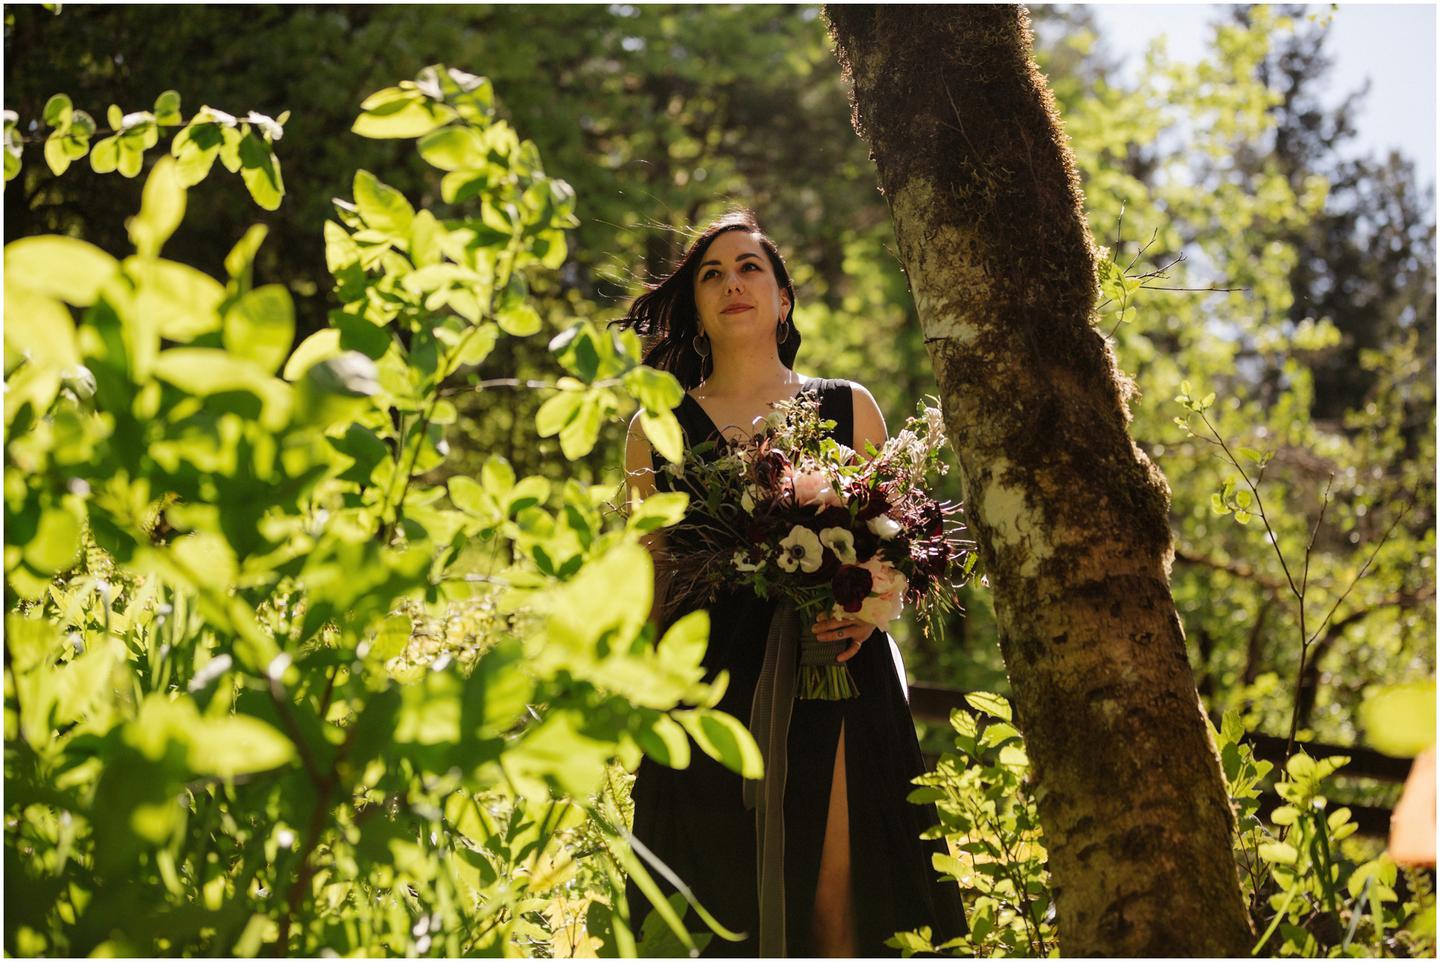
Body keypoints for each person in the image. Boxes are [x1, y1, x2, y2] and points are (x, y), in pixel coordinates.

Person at [614, 209, 968, 957]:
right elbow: (653, 578)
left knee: (838, 894)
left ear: (782, 301)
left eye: (750, 268)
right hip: (707, 684)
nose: (731, 283)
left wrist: (872, 612)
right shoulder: (656, 430)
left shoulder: (849, 406)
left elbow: (894, 550)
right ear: (696, 305)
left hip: (831, 669)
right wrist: (646, 702)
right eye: (711, 273)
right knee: (723, 891)